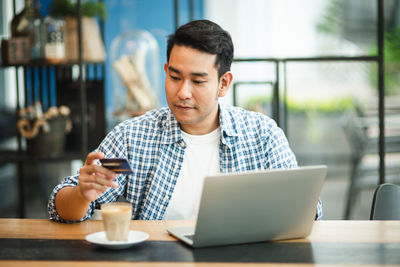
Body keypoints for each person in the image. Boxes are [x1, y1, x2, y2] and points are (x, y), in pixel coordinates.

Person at [48, 19, 322, 222]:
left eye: (198, 80)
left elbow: (309, 212)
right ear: (166, 70)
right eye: (175, 77)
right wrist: (82, 195)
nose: (182, 92)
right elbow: (60, 206)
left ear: (223, 83)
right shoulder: (132, 138)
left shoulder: (262, 135)